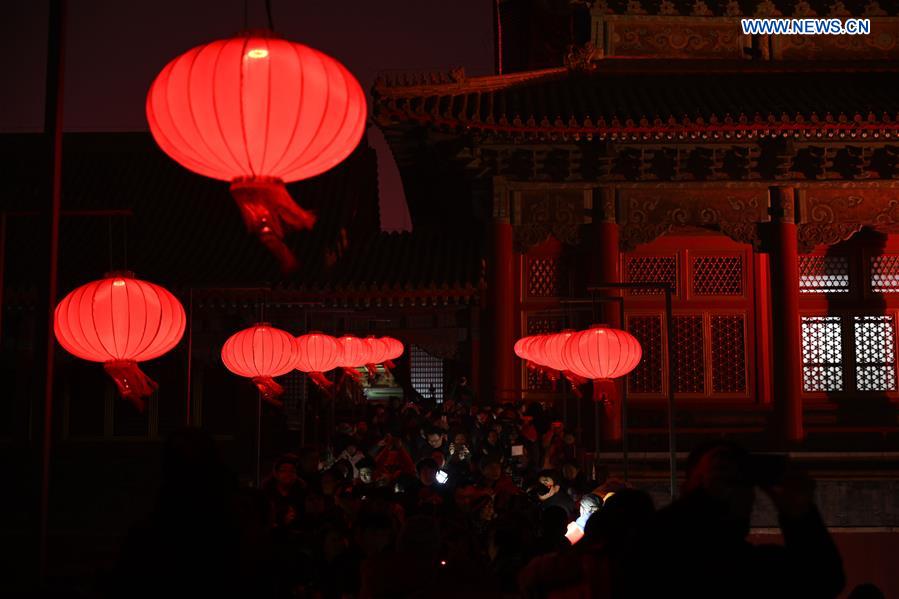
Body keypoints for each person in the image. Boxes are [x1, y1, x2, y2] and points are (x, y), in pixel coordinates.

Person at [625, 440, 845, 599]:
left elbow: (823, 581)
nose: (725, 491)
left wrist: (799, 515)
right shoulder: (661, 558)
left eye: (735, 482)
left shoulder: (757, 570)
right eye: (714, 478)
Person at [262, 453, 305, 530]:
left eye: (292, 471)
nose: (288, 474)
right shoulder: (266, 496)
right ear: (276, 474)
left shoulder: (302, 494)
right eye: (284, 470)